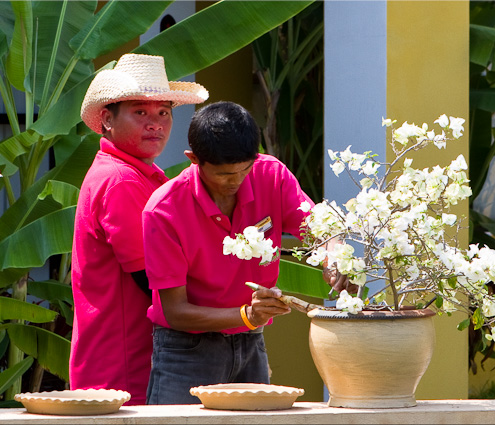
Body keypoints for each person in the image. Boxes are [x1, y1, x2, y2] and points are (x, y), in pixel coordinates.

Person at [142, 101, 353, 404]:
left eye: (245, 169)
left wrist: (335, 252)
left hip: (251, 342)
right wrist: (247, 314)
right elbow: (175, 311)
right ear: (194, 159)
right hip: (184, 351)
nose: (236, 180)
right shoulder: (164, 210)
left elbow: (322, 226)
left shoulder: (271, 174)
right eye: (224, 174)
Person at [70, 53, 209, 405]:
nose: (156, 124)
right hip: (124, 369)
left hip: (121, 364)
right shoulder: (121, 180)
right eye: (140, 113)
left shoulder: (137, 174)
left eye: (163, 112)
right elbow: (152, 281)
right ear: (106, 120)